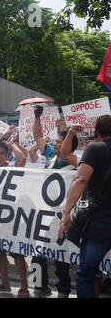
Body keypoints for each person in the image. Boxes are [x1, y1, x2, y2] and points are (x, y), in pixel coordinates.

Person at [59, 115, 111, 298]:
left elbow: (80, 178)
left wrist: (66, 213)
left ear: (96, 133)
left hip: (101, 222)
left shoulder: (95, 148)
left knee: (86, 272)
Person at [32, 106, 78, 298]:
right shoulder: (50, 155)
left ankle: (64, 291)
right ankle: (40, 286)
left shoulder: (77, 161)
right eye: (57, 142)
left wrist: (70, 133)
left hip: (64, 215)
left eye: (60, 142)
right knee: (37, 252)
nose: (56, 145)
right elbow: (38, 137)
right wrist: (37, 117)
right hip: (46, 213)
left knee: (61, 257)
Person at [0, 138, 30, 298]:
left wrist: (11, 144)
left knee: (16, 253)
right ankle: (5, 283)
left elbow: (22, 159)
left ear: (7, 155)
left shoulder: (11, 168)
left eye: (1, 153)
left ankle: (24, 286)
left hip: (12, 217)